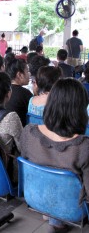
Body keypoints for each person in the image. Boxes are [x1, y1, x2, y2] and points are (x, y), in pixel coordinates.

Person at [21, 78, 89, 232]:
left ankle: (54, 216)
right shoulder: (83, 146)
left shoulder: (29, 133)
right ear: (81, 109)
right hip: (73, 209)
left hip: (36, 198)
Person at [5, 58, 33, 127]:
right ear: (19, 75)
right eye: (27, 71)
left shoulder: (3, 90)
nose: (29, 75)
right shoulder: (25, 94)